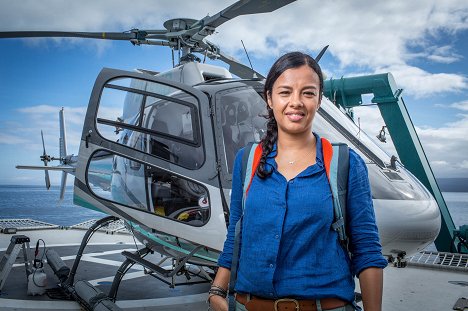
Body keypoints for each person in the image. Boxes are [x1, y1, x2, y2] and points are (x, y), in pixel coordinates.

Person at [207, 51, 388, 311]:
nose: (296, 102)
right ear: (269, 98)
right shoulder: (246, 161)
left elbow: (367, 250)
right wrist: (217, 292)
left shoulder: (346, 163)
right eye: (285, 92)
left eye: (308, 92)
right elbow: (236, 235)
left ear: (319, 100)